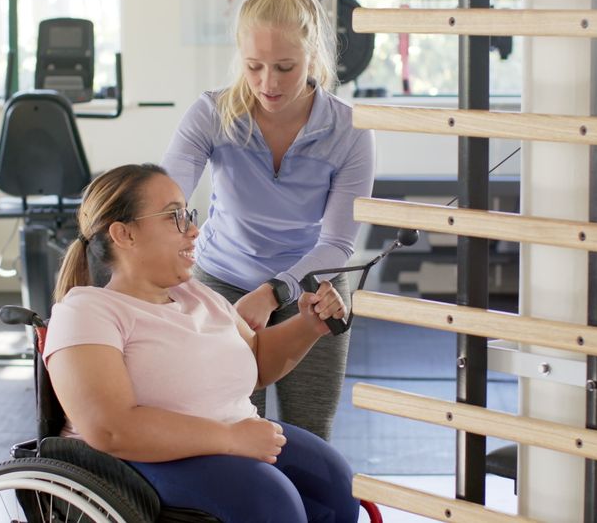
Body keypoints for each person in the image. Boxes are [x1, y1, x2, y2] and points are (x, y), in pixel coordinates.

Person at [44, 163, 360, 523]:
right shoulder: (88, 311)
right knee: (271, 504)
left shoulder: (196, 295)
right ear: (124, 234)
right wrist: (229, 438)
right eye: (174, 217)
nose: (194, 230)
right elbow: (111, 428)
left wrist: (309, 325)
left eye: (189, 215)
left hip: (234, 434)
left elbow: (255, 361)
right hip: (134, 460)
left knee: (335, 487)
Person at [162, 0, 376, 440]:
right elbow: (165, 200)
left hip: (314, 286)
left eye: (285, 67)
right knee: (233, 424)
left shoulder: (350, 131)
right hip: (222, 280)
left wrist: (275, 291)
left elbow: (338, 242)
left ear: (312, 56)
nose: (268, 83)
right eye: (254, 66)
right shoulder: (212, 114)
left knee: (310, 434)